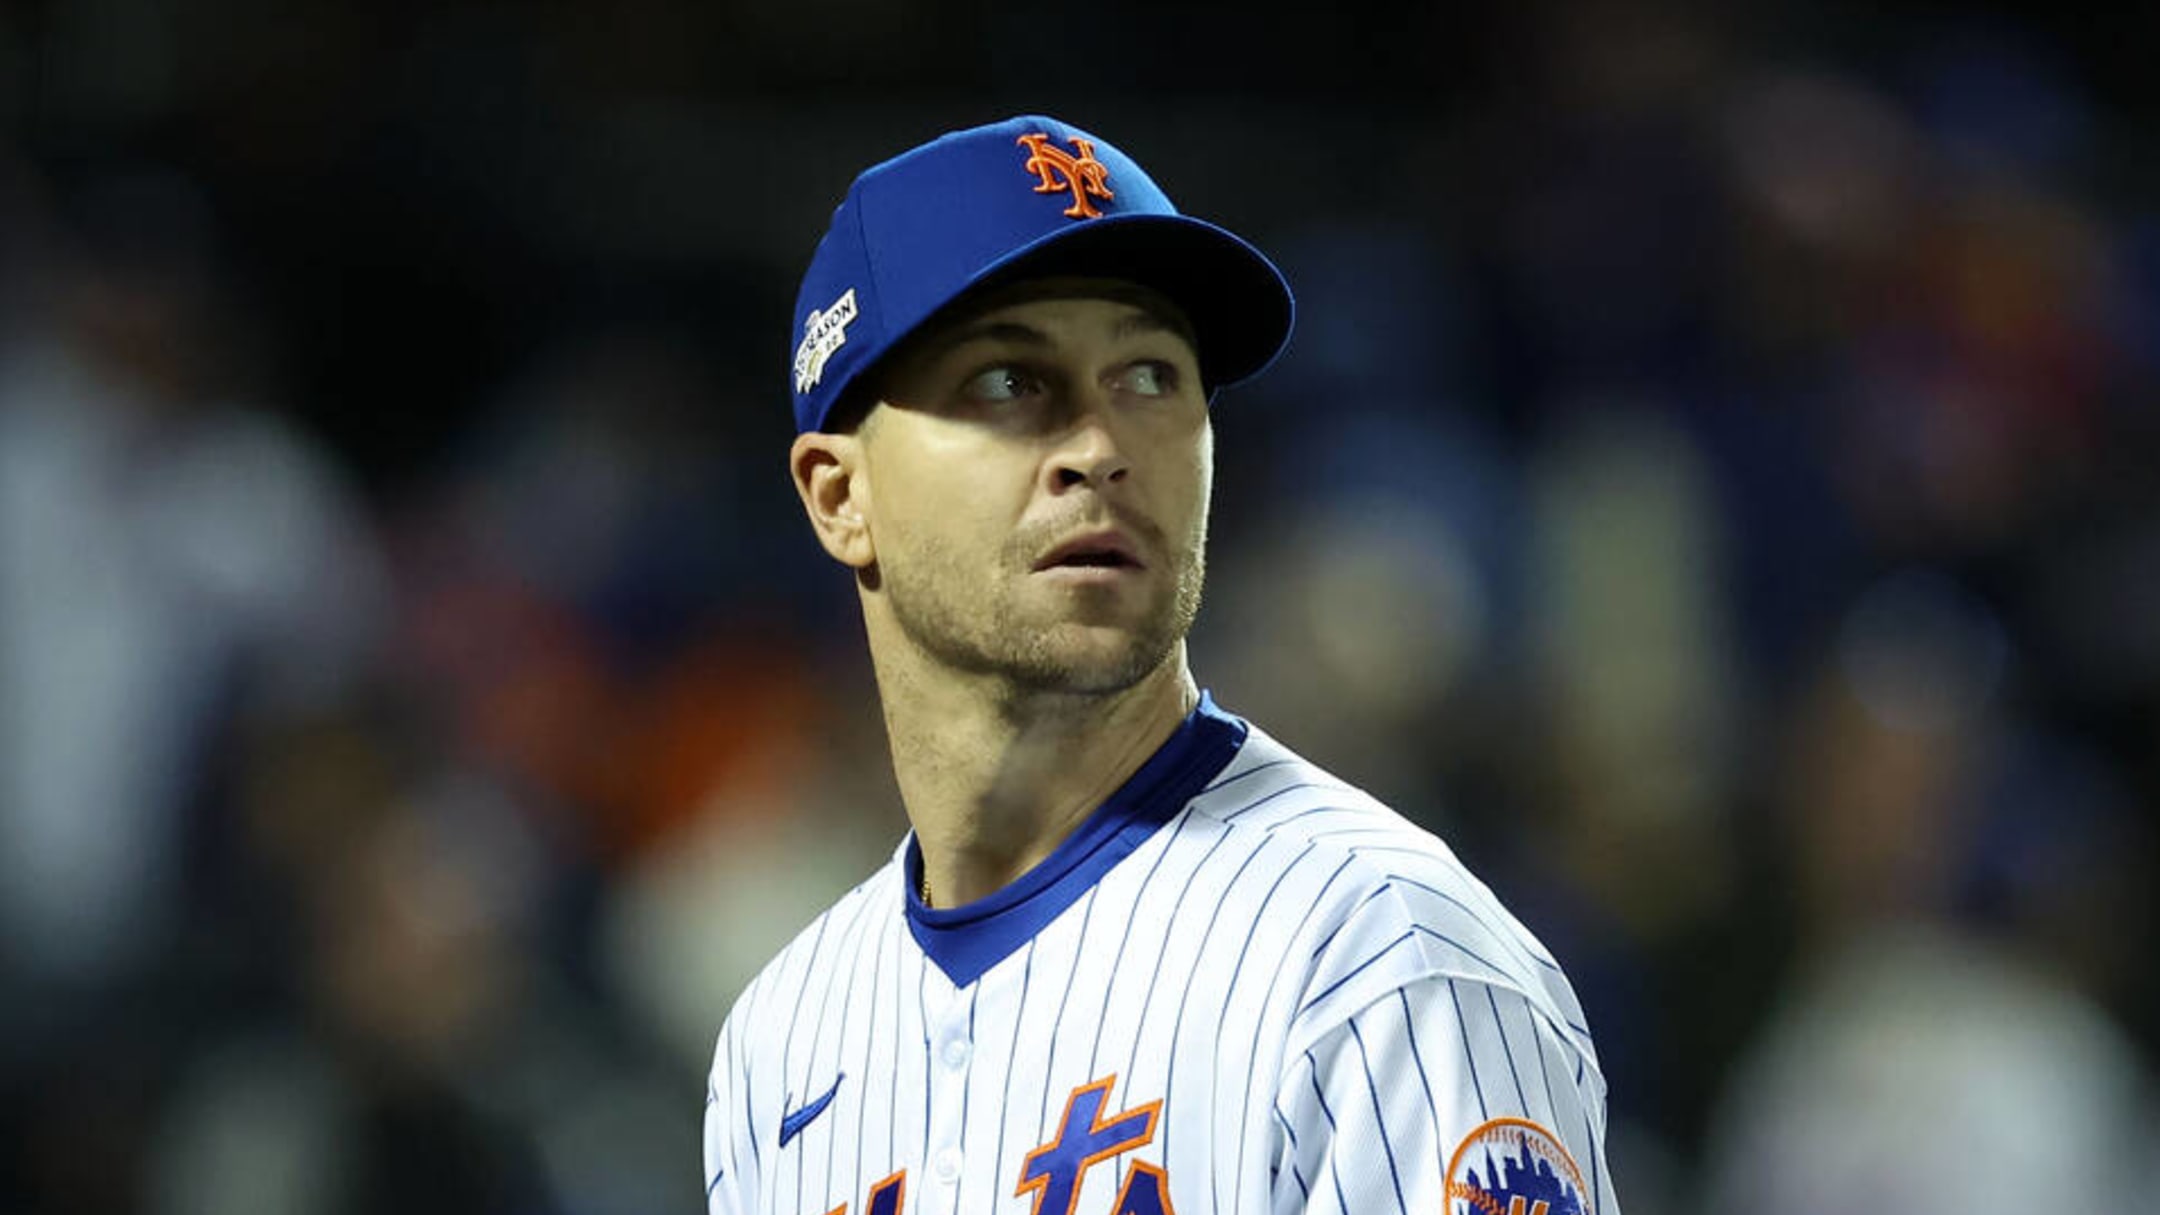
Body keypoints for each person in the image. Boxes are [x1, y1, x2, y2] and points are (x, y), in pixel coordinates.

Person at [701, 114, 1617, 1215]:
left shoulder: (1377, 955)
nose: (1099, 447)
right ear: (841, 497)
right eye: (1007, 382)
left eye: (1149, 376)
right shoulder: (782, 1043)